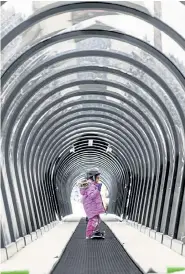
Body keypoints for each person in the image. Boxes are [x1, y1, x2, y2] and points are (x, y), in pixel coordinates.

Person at [79, 174, 105, 239]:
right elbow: (91, 196)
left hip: (93, 206)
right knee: (93, 220)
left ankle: (95, 232)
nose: (98, 179)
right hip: (91, 206)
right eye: (97, 178)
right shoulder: (90, 185)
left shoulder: (91, 185)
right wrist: (98, 190)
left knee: (97, 219)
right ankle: (89, 234)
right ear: (93, 177)